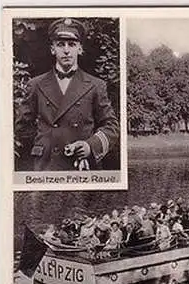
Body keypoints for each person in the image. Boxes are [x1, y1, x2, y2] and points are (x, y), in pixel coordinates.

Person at [14, 18, 119, 171]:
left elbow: (112, 126)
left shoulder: (96, 85)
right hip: (47, 166)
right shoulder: (36, 84)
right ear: (52, 49)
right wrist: (44, 144)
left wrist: (90, 146)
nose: (66, 50)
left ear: (80, 49)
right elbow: (22, 127)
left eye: (72, 44)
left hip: (83, 167)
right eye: (60, 44)